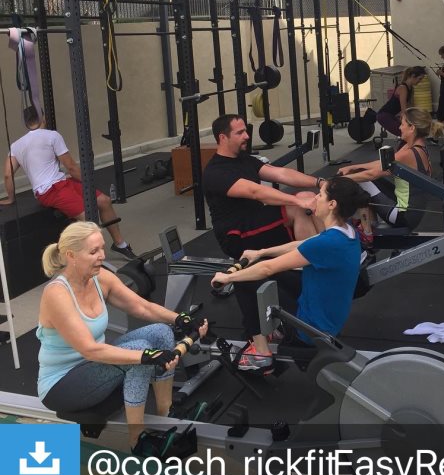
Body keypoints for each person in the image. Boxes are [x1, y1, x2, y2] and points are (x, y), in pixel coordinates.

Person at [37, 221, 208, 448]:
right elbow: (90, 349)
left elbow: (142, 307)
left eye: (102, 248)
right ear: (71, 255)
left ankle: (167, 413)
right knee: (140, 352)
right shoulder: (57, 294)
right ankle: (138, 440)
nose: (102, 256)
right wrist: (146, 356)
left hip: (94, 366)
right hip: (62, 384)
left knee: (161, 331)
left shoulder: (100, 278)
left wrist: (180, 319)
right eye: (93, 251)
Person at [210, 176, 368, 373]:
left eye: (320, 195)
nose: (315, 198)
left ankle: (261, 355)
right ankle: (275, 330)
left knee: (244, 279)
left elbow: (268, 269)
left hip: (312, 329)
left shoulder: (328, 243)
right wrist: (261, 252)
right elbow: (303, 244)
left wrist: (227, 278)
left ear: (332, 204)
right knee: (265, 272)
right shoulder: (346, 232)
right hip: (329, 319)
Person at [202, 114, 324, 354]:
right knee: (299, 206)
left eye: (245, 131)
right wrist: (297, 201)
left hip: (257, 223)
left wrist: (320, 183)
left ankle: (325, 253)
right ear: (222, 137)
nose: (247, 136)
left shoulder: (245, 159)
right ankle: (311, 266)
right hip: (237, 234)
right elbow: (255, 192)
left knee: (310, 198)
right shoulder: (215, 172)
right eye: (240, 133)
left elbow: (280, 174)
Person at [0, 106, 136, 259]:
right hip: (50, 190)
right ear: (43, 117)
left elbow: (7, 175)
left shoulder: (16, 146)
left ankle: (120, 244)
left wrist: (10, 198)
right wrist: (90, 183)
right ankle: (91, 259)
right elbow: (71, 167)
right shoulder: (52, 136)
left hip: (62, 183)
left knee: (104, 201)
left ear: (25, 123)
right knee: (89, 217)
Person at [338, 107, 432, 237]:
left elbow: (372, 174)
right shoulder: (417, 147)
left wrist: (339, 181)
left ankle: (367, 233)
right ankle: (371, 225)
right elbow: (382, 163)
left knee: (362, 181)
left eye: (402, 124)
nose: (399, 127)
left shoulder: (409, 154)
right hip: (411, 212)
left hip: (403, 216)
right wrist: (354, 167)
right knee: (361, 174)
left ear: (412, 128)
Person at [376, 66, 426, 137]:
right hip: (384, 116)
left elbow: (411, 107)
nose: (420, 81)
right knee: (406, 134)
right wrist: (407, 123)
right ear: (413, 76)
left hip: (391, 115)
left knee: (412, 132)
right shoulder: (403, 88)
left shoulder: (411, 88)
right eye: (419, 79)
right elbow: (404, 110)